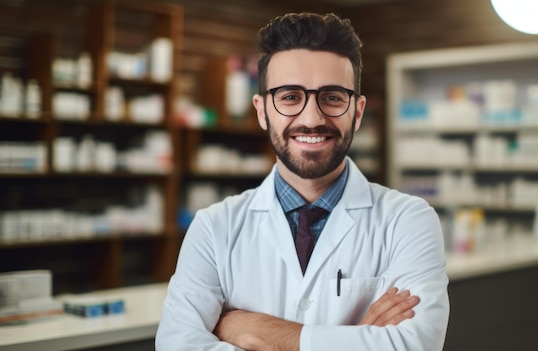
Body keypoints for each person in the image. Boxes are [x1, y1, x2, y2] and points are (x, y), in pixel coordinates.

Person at [156, 12, 449, 351]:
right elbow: (177, 346)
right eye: (290, 97)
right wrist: (358, 339)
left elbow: (414, 347)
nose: (312, 118)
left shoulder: (408, 220)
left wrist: (253, 329)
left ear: (358, 111)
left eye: (333, 97)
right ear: (262, 110)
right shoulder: (214, 228)